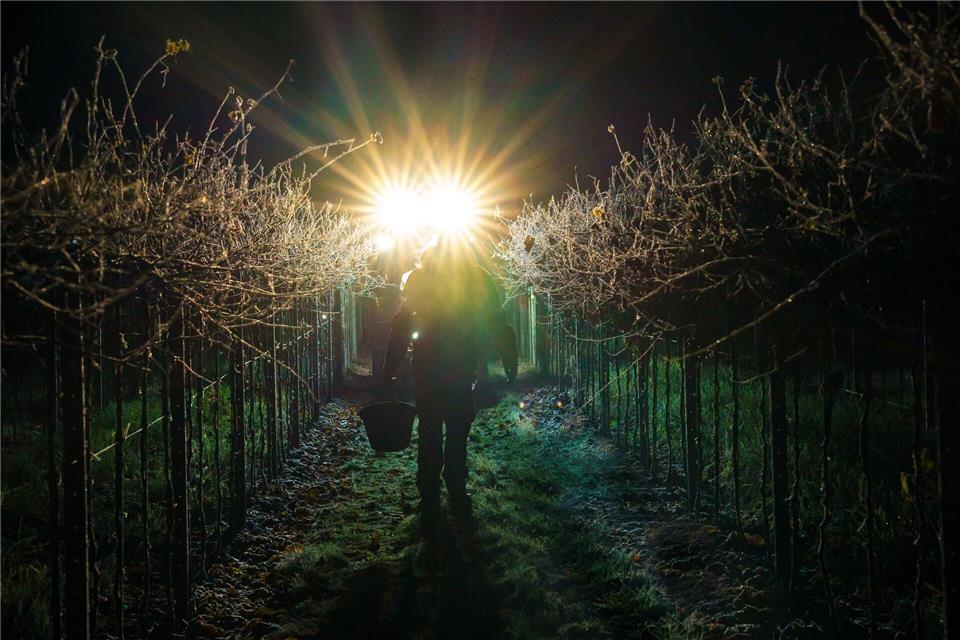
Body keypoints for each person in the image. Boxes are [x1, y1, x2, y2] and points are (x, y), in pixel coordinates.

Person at [381, 237, 517, 538]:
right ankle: (457, 489)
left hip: (427, 368)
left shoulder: (419, 278)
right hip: (462, 366)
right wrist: (510, 362)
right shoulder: (478, 277)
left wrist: (389, 370)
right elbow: (498, 322)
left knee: (429, 429)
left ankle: (428, 494)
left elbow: (402, 324)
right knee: (458, 430)